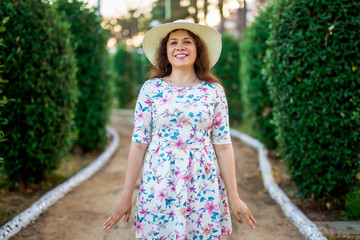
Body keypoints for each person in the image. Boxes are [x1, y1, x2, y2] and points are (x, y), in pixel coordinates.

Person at [104, 19, 256, 239]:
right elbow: (138, 145)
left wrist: (234, 197)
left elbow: (223, 145)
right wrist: (126, 196)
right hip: (160, 182)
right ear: (166, 51)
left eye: (187, 41)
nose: (180, 47)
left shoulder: (214, 91)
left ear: (198, 49)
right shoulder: (151, 89)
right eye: (173, 42)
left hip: (203, 182)